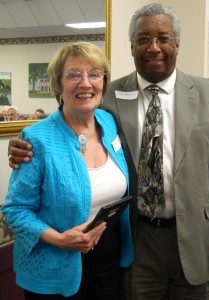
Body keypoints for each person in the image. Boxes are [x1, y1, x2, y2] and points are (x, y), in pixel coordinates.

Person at [7, 3, 209, 300]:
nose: (153, 47)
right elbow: (72, 117)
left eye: (163, 38)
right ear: (131, 46)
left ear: (177, 44)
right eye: (143, 39)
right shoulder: (109, 99)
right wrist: (26, 144)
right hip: (137, 239)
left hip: (198, 238)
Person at [2, 41, 133, 300]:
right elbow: (15, 210)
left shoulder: (108, 122)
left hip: (108, 264)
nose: (86, 83)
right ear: (58, 84)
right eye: (74, 75)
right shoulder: (37, 138)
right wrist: (60, 239)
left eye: (94, 74)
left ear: (103, 83)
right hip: (53, 270)